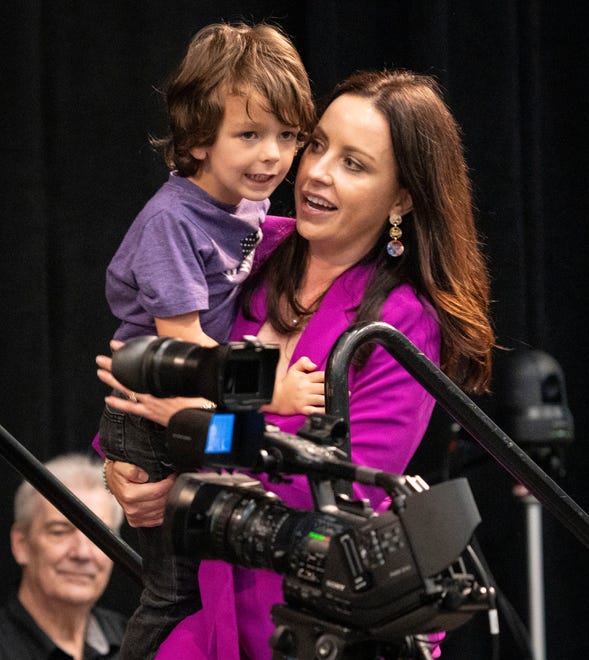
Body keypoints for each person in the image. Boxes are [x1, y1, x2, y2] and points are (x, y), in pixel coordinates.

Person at [96, 69, 495, 659]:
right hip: (206, 608)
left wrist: (199, 436)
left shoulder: (406, 321)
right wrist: (124, 472)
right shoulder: (250, 247)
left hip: (311, 621)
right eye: (316, 144)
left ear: (403, 197)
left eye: (354, 164)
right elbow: (150, 358)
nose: (315, 172)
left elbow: (336, 480)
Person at [95, 21, 316, 660]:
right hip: (149, 416)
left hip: (179, 409)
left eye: (287, 136)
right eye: (248, 135)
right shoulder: (171, 223)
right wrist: (270, 395)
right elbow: (183, 356)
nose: (272, 156)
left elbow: (257, 237)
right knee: (172, 594)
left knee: (200, 584)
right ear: (197, 139)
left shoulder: (240, 199)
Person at [0, 453, 126, 660]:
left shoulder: (137, 645)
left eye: (100, 538)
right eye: (60, 531)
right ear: (21, 544)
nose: (82, 553)